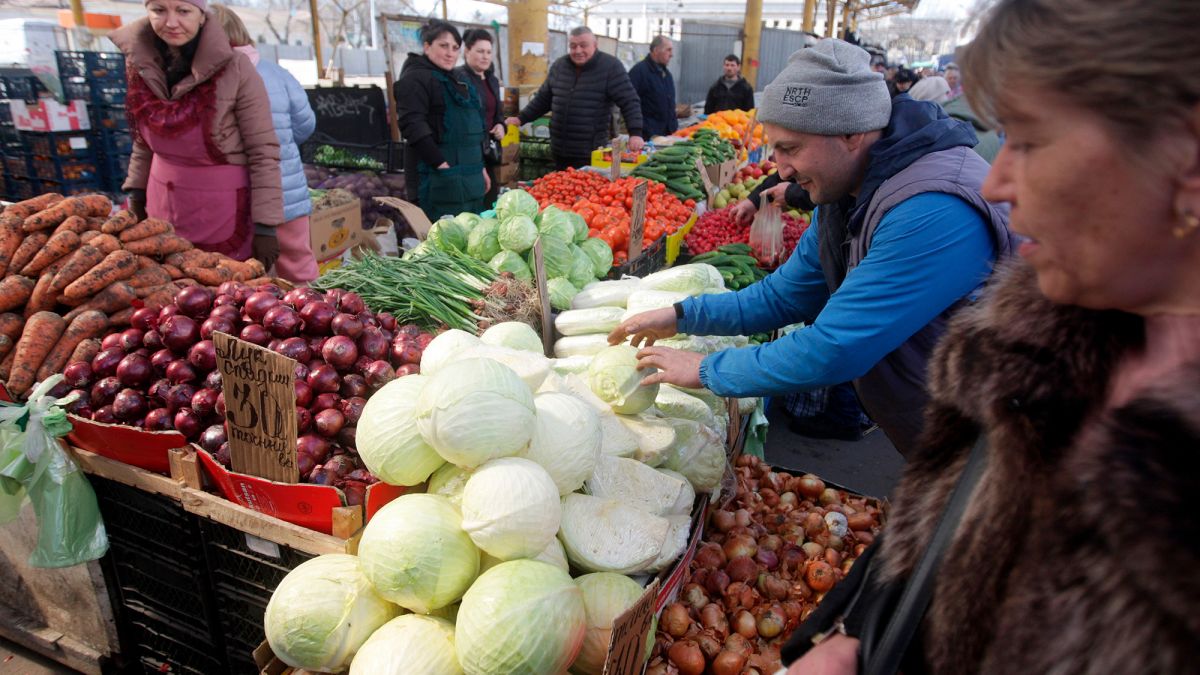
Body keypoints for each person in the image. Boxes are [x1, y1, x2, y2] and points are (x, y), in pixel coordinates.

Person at [784, 0, 1200, 672]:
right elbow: (946, 541)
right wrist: (860, 636)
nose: (999, 182)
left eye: (1030, 141)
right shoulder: (1042, 340)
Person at [609, 39, 1016, 458]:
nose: (780, 170)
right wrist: (681, 316)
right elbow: (786, 294)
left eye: (791, 148)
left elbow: (836, 347)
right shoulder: (849, 191)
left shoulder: (933, 208)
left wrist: (706, 369)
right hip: (941, 437)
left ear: (851, 133)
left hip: (1001, 448)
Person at [111, 0, 283, 267]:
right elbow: (143, 142)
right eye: (159, 10)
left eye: (183, 11)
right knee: (164, 294)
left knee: (222, 298)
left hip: (220, 212)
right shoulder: (139, 64)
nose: (171, 22)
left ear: (202, 16)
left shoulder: (236, 68)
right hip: (160, 209)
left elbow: (263, 151)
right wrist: (136, 194)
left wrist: (266, 227)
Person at [210, 4, 318, 283]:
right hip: (286, 192)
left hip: (230, 198)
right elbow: (306, 124)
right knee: (298, 269)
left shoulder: (205, 79)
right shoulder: (276, 73)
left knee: (238, 279)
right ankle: (312, 320)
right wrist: (280, 143)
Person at [505, 27, 644, 170]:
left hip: (590, 151)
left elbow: (629, 101)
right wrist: (520, 119)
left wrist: (635, 133)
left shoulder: (611, 67)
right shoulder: (559, 66)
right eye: (573, 46)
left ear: (595, 45)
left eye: (583, 45)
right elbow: (543, 99)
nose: (578, 51)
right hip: (560, 149)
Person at [396, 21, 489, 221]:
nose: (450, 53)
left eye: (455, 48)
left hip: (468, 179)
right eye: (443, 46)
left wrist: (480, 168)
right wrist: (443, 167)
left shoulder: (455, 79)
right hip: (438, 181)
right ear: (427, 46)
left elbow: (469, 134)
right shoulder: (415, 79)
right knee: (442, 241)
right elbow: (413, 127)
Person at [454, 28, 505, 207]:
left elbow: (498, 114)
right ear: (467, 51)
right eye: (480, 51)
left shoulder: (492, 80)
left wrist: (501, 126)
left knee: (490, 199)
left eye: (489, 52)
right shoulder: (459, 79)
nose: (485, 56)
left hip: (488, 151)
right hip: (469, 153)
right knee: (474, 200)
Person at [628, 36, 678, 138]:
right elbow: (629, 105)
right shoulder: (638, 72)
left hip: (668, 135)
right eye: (668, 50)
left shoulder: (666, 74)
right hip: (648, 137)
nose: (671, 55)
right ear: (655, 50)